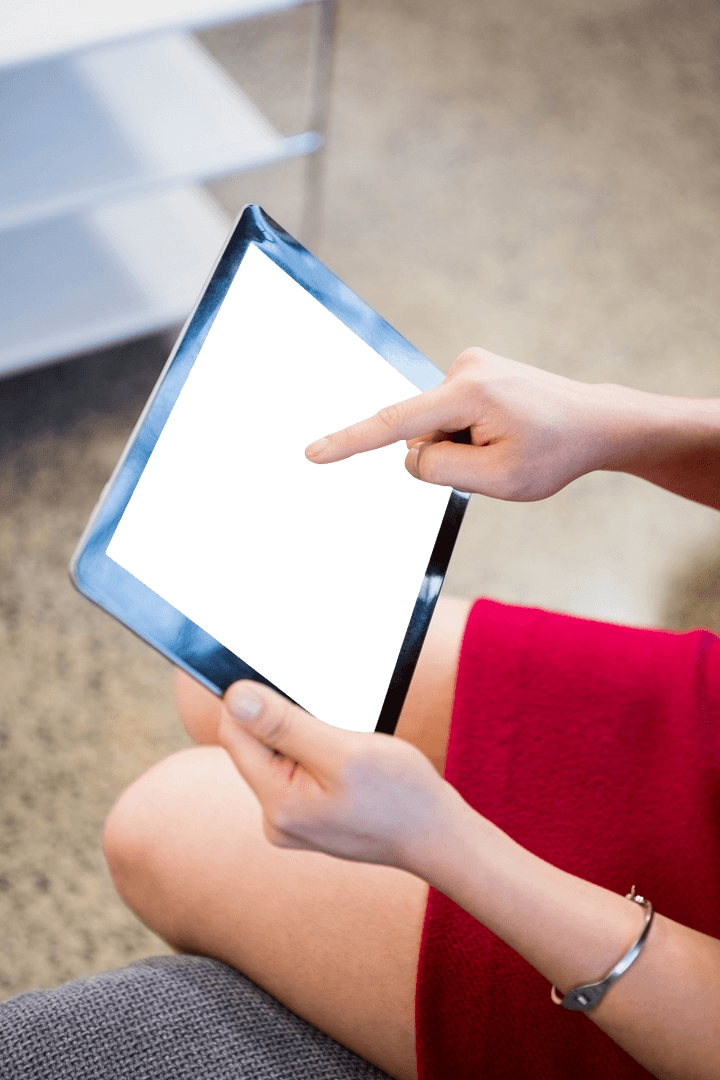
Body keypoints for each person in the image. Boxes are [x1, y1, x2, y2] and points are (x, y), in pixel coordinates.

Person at [102, 347, 720, 1080]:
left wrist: (442, 843)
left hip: (673, 991)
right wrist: (611, 422)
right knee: (220, 677)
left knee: (161, 819)